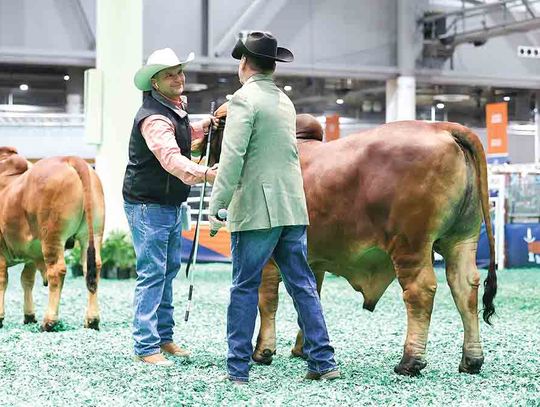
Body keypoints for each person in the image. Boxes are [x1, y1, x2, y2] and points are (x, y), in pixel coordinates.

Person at [208, 32, 339, 383]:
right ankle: (323, 362)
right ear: (271, 64)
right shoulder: (284, 101)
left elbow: (232, 156)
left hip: (256, 211)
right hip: (291, 206)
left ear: (244, 63)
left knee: (244, 287)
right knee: (303, 284)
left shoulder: (242, 100)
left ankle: (237, 369)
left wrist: (217, 204)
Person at [123, 48, 217, 367]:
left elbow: (186, 138)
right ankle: (146, 345)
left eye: (179, 71)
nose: (179, 78)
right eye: (170, 74)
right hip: (149, 205)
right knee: (153, 273)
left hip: (168, 203)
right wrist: (207, 174)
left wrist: (209, 125)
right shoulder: (153, 118)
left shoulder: (174, 109)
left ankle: (163, 338)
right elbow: (171, 158)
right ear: (155, 82)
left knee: (167, 271)